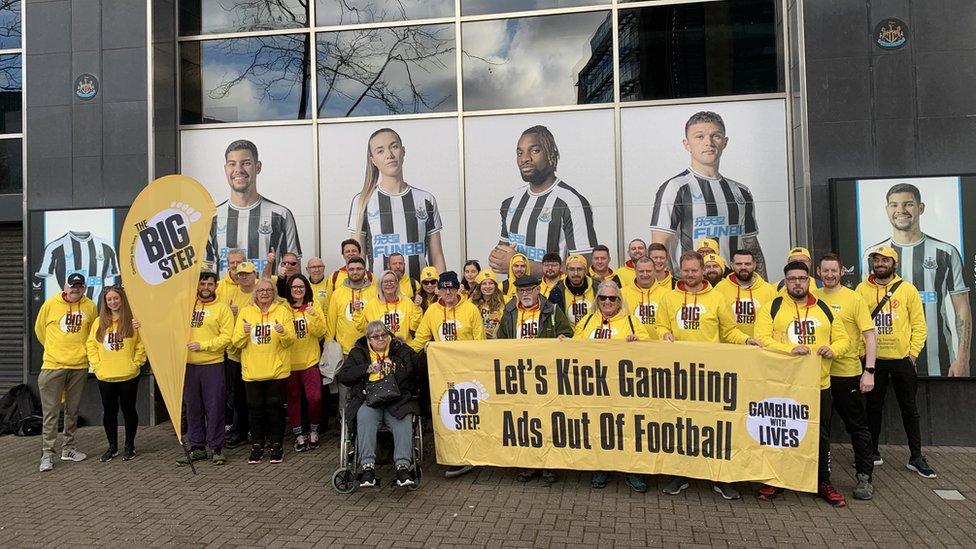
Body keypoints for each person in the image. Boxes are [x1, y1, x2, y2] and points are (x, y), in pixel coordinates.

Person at [656, 251, 758, 499]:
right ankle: (680, 475)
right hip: (679, 374)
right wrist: (664, 335)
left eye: (694, 270)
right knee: (681, 425)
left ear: (703, 270)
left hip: (710, 375)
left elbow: (729, 331)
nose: (690, 274)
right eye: (686, 270)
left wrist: (747, 340)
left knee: (713, 426)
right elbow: (661, 326)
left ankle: (719, 477)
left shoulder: (717, 298)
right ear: (680, 270)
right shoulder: (669, 298)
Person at [754, 261, 850, 506]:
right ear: (785, 281)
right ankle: (776, 479)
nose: (797, 282)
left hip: (820, 384)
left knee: (821, 435)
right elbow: (761, 339)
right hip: (784, 384)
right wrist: (789, 349)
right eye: (792, 278)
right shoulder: (772, 307)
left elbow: (843, 339)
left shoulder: (824, 308)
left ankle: (822, 481)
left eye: (802, 278)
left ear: (810, 281)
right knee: (781, 433)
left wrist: (833, 349)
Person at [864, 182, 971, 377]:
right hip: (885, 358)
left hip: (938, 359)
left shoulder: (946, 252)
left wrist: (963, 359)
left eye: (908, 204)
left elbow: (962, 308)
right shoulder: (871, 256)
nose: (901, 210)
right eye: (894, 205)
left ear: (921, 208)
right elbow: (863, 312)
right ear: (887, 209)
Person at [649, 111, 767, 278]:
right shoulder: (675, 188)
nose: (708, 142)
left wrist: (762, 286)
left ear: (724, 142)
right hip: (690, 288)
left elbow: (752, 246)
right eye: (699, 136)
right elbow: (659, 247)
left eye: (716, 136)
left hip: (735, 287)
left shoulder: (741, 192)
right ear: (686, 144)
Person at [856, 246, 935, 478]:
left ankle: (916, 456)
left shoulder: (907, 289)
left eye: (885, 260)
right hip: (874, 360)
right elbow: (856, 324)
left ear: (894, 264)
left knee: (909, 409)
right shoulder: (862, 289)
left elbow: (919, 325)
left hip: (902, 360)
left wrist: (912, 354)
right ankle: (872, 452)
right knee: (872, 408)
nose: (880, 264)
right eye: (877, 260)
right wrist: (863, 353)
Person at [489, 125, 599, 276]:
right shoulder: (511, 202)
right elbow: (502, 251)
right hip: (518, 297)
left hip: (555, 297)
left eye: (534, 151)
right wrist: (497, 258)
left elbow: (584, 268)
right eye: (519, 153)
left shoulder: (572, 203)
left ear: (550, 155)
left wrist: (520, 265)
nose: (525, 158)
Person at [574, 281, 651, 492]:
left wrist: (638, 342)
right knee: (600, 427)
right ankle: (602, 467)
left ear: (619, 300)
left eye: (612, 298)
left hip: (624, 388)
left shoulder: (632, 321)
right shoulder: (587, 320)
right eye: (603, 298)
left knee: (628, 428)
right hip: (595, 387)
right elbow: (574, 349)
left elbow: (650, 350)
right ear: (597, 300)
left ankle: (632, 470)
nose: (607, 302)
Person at [497, 274, 574, 483]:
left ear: (538, 290)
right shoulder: (510, 313)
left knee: (548, 420)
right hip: (520, 376)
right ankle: (527, 463)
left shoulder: (552, 311)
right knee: (524, 420)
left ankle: (550, 464)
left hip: (546, 376)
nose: (525, 294)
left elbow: (567, 333)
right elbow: (501, 341)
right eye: (521, 291)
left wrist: (563, 339)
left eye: (529, 290)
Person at [410, 271, 485, 478]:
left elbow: (480, 342)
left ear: (457, 288)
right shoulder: (432, 311)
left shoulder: (470, 309)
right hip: (442, 373)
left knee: (466, 414)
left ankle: (468, 454)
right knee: (448, 413)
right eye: (444, 288)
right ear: (439, 290)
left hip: (466, 372)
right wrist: (403, 353)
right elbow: (421, 338)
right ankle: (452, 455)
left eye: (452, 287)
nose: (448, 292)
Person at [814, 253, 877, 500]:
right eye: (825, 271)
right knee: (819, 431)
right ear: (818, 272)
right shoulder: (812, 297)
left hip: (846, 374)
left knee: (857, 428)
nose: (829, 275)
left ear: (841, 272)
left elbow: (870, 336)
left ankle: (864, 477)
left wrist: (869, 371)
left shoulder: (854, 299)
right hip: (817, 376)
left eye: (834, 271)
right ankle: (819, 478)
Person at [348, 127, 447, 280]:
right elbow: (357, 258)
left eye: (394, 146)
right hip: (379, 295)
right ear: (372, 159)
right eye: (380, 151)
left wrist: (442, 289)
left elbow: (437, 256)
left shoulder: (426, 200)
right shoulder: (362, 201)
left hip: (420, 293)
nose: (389, 155)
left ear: (403, 151)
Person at [338, 321, 420, 488]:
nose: (381, 339)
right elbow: (344, 376)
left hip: (397, 400)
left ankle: (403, 467)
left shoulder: (402, 350)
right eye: (376, 336)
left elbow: (415, 374)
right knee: (364, 417)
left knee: (403, 418)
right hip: (369, 400)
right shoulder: (358, 352)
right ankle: (367, 467)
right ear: (368, 339)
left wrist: (396, 368)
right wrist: (366, 369)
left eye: (384, 335)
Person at [206, 139, 302, 278]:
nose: (238, 169)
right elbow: (206, 270)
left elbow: (293, 268)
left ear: (258, 167)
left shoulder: (280, 215)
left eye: (246, 163)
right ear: (226, 168)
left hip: (268, 298)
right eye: (232, 164)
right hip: (226, 299)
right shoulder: (212, 217)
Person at [34, 273, 98, 472]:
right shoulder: (50, 304)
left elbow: (92, 333)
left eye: (79, 287)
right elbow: (39, 331)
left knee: (72, 410)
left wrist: (82, 355)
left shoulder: (90, 306)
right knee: (51, 413)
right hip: (53, 366)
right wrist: (55, 351)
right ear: (64, 286)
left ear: (84, 288)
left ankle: (68, 449)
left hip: (79, 366)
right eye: (72, 286)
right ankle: (47, 455)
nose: (75, 290)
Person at [232, 278, 296, 464]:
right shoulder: (246, 312)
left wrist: (283, 331)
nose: (265, 293)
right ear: (255, 293)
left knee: (275, 409)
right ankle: (257, 445)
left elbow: (290, 340)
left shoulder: (283, 311)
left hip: (277, 371)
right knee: (255, 410)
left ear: (274, 293)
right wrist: (243, 332)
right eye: (261, 290)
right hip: (252, 372)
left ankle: (276, 445)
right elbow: (236, 343)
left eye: (268, 290)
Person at [179, 272, 234, 466]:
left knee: (215, 406)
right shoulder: (186, 306)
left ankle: (217, 447)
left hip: (213, 364)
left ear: (216, 286)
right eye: (202, 283)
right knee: (193, 407)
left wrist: (203, 345)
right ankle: (197, 447)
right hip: (189, 366)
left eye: (210, 284)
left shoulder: (222, 309)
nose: (205, 287)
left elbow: (227, 337)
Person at [86, 286, 145, 463]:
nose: (113, 302)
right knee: (109, 413)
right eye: (109, 299)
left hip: (128, 375)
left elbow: (141, 346)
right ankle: (112, 447)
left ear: (122, 299)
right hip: (105, 376)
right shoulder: (99, 322)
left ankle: (130, 446)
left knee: (129, 411)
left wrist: (136, 364)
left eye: (116, 298)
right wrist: (97, 367)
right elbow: (91, 346)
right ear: (105, 302)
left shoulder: (133, 321)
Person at [219, 260, 258, 448]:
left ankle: (256, 431)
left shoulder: (261, 292)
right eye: (241, 275)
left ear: (254, 275)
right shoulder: (230, 294)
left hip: (257, 353)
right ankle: (239, 431)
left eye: (247, 274)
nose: (244, 277)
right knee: (237, 396)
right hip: (235, 354)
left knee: (255, 395)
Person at [286, 273, 327, 453]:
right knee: (293, 399)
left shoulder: (313, 305)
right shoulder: (283, 307)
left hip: (310, 360)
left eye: (301, 287)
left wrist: (312, 317)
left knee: (315, 398)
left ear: (306, 289)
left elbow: (320, 332)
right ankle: (298, 434)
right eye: (294, 287)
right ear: (289, 289)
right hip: (289, 362)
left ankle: (314, 430)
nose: (298, 290)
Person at [715, 249, 778, 337]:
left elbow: (776, 322)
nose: (743, 267)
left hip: (760, 347)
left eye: (747, 264)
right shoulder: (720, 289)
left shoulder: (769, 290)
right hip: (729, 347)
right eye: (739, 264)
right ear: (732, 265)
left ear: (754, 265)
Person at [325, 256, 375, 358]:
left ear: (365, 271)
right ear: (347, 270)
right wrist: (328, 345)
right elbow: (331, 322)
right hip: (345, 351)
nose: (355, 272)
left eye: (359, 269)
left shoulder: (375, 291)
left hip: (371, 349)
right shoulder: (337, 293)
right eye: (351, 269)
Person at [357, 270, 422, 344]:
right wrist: (357, 311)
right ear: (380, 285)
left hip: (404, 348)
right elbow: (362, 328)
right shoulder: (372, 305)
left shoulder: (407, 302)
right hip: (381, 349)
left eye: (392, 281)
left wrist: (417, 308)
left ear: (397, 283)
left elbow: (414, 327)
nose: (389, 284)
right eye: (385, 282)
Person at [620, 257, 668, 338]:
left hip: (660, 346)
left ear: (654, 271)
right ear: (635, 271)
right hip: (633, 346)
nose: (645, 274)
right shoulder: (622, 293)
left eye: (648, 271)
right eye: (641, 271)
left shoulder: (666, 294)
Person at [323, 239, 374, 309]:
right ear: (343, 255)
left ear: (359, 253)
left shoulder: (370, 276)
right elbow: (328, 303)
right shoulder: (334, 277)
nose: (351, 253)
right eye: (347, 251)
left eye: (354, 251)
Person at [550, 254, 596, 326]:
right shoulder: (557, 292)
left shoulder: (598, 288)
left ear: (585, 270)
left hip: (591, 335)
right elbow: (553, 321)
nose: (576, 273)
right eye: (572, 269)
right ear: (566, 271)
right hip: (568, 336)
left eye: (579, 269)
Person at [470, 270, 506, 339]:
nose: (488, 286)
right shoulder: (471, 302)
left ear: (495, 285)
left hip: (499, 341)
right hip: (479, 341)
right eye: (484, 284)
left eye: (491, 283)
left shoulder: (505, 300)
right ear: (479, 286)